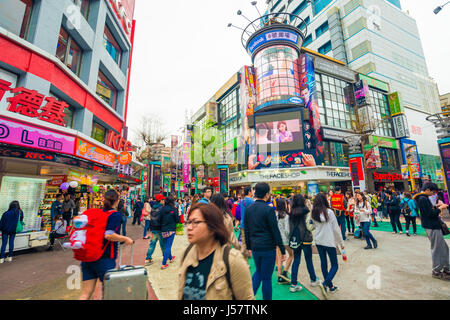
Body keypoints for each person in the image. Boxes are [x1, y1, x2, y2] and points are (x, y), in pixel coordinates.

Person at [179, 203, 254, 300]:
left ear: (212, 227)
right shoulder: (186, 254)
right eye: (188, 222)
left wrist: (242, 250)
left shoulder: (233, 261)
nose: (189, 227)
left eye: (196, 222)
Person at [79, 190, 134, 300]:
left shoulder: (98, 213)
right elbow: (108, 235)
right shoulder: (115, 215)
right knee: (109, 293)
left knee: (85, 294)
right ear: (117, 201)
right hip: (104, 258)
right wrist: (126, 239)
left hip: (88, 256)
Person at [244, 182, 286, 300]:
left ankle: (248, 297)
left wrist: (249, 247)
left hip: (256, 247)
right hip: (268, 248)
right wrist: (282, 250)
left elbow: (247, 230)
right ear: (267, 194)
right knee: (266, 278)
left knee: (258, 272)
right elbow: (275, 231)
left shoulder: (249, 209)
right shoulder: (269, 210)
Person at [413, 183, 449, 281]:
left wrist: (436, 207)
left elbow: (427, 212)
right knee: (437, 248)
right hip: (432, 226)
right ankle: (437, 271)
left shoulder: (422, 198)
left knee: (444, 248)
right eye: (433, 192)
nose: (434, 194)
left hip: (432, 226)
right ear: (428, 190)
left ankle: (446, 268)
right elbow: (429, 214)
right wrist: (440, 208)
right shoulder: (423, 199)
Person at [311, 193, 345, 296]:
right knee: (334, 265)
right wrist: (341, 243)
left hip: (319, 242)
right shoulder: (329, 212)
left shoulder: (314, 213)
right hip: (329, 242)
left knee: (324, 264)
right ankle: (325, 284)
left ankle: (330, 287)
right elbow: (336, 229)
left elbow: (313, 226)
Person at [289, 194, 321, 292]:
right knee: (308, 260)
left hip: (296, 239)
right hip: (306, 239)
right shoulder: (306, 211)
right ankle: (313, 279)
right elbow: (309, 226)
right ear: (303, 201)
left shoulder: (291, 212)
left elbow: (289, 228)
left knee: (296, 260)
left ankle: (293, 284)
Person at [275, 198, 293, 285]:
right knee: (291, 255)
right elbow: (287, 230)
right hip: (285, 240)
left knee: (279, 259)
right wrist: (289, 237)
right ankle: (285, 272)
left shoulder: (276, 215)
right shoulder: (286, 216)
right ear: (284, 205)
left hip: (277, 240)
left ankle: (279, 277)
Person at [145, 194, 166, 265]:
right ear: (161, 200)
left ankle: (148, 258)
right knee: (162, 244)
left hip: (153, 228)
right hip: (160, 229)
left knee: (152, 244)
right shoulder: (162, 208)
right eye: (163, 199)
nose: (164, 201)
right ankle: (165, 256)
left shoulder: (153, 207)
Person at [160, 195, 180, 269]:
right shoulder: (174, 209)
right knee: (168, 246)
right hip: (171, 229)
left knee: (167, 245)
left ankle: (171, 258)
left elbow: (160, 218)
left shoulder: (162, 209)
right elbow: (177, 220)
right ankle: (163, 263)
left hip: (163, 229)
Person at [235, 187, 254, 260]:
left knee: (244, 242)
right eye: (252, 191)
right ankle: (243, 258)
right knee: (248, 242)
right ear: (249, 192)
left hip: (243, 223)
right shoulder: (251, 201)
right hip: (250, 224)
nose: (253, 192)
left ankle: (245, 258)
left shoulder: (241, 201)